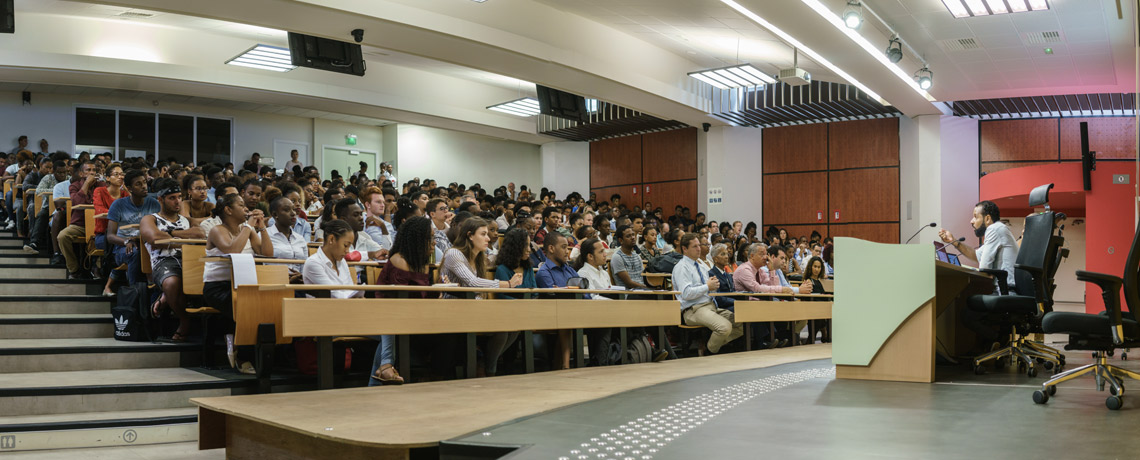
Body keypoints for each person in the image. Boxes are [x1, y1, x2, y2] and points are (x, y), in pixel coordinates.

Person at [441, 218, 523, 375]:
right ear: (470, 235)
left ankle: (484, 364)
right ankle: (488, 370)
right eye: (483, 234)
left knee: (515, 324)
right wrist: (508, 284)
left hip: (474, 309)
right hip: (454, 310)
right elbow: (472, 283)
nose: (489, 238)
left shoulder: (478, 258)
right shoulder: (453, 253)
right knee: (502, 329)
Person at [205, 193, 273, 374]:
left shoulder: (247, 229)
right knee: (247, 307)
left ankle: (244, 347)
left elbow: (267, 253)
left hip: (244, 285)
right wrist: (249, 226)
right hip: (218, 287)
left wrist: (262, 228)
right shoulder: (217, 230)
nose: (246, 209)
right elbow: (232, 250)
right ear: (228, 210)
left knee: (266, 305)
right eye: (241, 205)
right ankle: (243, 356)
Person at [370, 217, 439, 384]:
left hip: (410, 313)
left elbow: (420, 295)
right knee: (392, 322)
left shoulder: (420, 261)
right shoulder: (399, 260)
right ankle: (385, 366)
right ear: (417, 239)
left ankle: (380, 375)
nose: (434, 243)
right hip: (383, 313)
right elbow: (400, 299)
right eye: (429, 238)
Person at [140, 179, 206, 343]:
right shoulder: (150, 219)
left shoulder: (187, 220)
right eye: (172, 198)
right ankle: (185, 319)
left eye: (179, 197)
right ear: (160, 200)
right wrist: (183, 236)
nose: (177, 201)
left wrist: (171, 234)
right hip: (163, 261)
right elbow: (154, 237)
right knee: (172, 283)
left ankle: (166, 299)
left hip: (190, 259)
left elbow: (200, 234)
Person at [673, 232, 742, 354]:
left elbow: (708, 288)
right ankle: (709, 352)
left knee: (741, 322)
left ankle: (708, 346)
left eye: (699, 245)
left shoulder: (701, 266)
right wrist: (707, 286)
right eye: (694, 246)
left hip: (710, 305)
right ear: (684, 248)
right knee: (724, 327)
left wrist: (714, 286)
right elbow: (686, 293)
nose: (699, 249)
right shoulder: (681, 267)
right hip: (693, 309)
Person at [938, 200, 1019, 292]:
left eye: (975, 217)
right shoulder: (998, 230)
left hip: (1008, 290)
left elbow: (984, 267)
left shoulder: (994, 229)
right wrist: (954, 241)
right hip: (1006, 289)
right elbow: (976, 255)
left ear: (987, 219)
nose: (971, 221)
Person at [106, 169, 161, 285]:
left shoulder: (154, 204)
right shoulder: (118, 205)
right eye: (138, 184)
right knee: (134, 252)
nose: (144, 186)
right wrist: (126, 241)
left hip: (147, 243)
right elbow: (110, 236)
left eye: (145, 182)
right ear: (129, 188)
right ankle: (135, 290)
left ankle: (155, 287)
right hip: (123, 247)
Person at [57, 161, 101, 279]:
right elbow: (77, 202)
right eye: (88, 170)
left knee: (106, 236)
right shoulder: (74, 185)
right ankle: (74, 269)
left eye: (94, 170)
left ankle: (97, 267)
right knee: (62, 236)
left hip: (99, 223)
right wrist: (86, 184)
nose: (92, 173)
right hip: (80, 224)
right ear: (81, 173)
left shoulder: (101, 185)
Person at [267, 196, 308, 280]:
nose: (293, 213)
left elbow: (305, 266)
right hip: (275, 282)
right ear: (275, 214)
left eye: (293, 209)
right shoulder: (265, 236)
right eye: (287, 210)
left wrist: (300, 276)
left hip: (299, 284)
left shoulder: (300, 239)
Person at [609, 225, 646, 289]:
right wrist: (647, 288)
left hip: (641, 291)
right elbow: (629, 283)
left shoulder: (636, 256)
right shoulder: (617, 257)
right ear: (621, 240)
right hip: (628, 294)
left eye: (633, 235)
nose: (632, 238)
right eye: (628, 236)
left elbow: (643, 277)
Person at [708, 243, 736, 312]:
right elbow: (717, 297)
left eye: (727, 254)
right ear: (715, 259)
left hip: (732, 304)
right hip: (721, 307)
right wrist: (735, 301)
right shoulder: (711, 274)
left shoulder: (728, 275)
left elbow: (733, 292)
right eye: (723, 254)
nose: (726, 257)